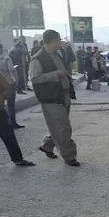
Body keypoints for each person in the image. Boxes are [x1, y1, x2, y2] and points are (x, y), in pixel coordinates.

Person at [29, 30, 79, 166]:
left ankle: (47, 145)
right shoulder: (38, 58)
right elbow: (34, 78)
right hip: (50, 97)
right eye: (58, 40)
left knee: (59, 125)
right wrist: (55, 74)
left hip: (64, 94)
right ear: (52, 41)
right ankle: (69, 156)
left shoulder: (57, 54)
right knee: (63, 127)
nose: (60, 42)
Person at [0, 42, 23, 128]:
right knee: (11, 104)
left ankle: (3, 123)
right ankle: (12, 122)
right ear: (1, 48)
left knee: (0, 104)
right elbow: (12, 70)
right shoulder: (7, 58)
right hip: (9, 83)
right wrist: (17, 79)